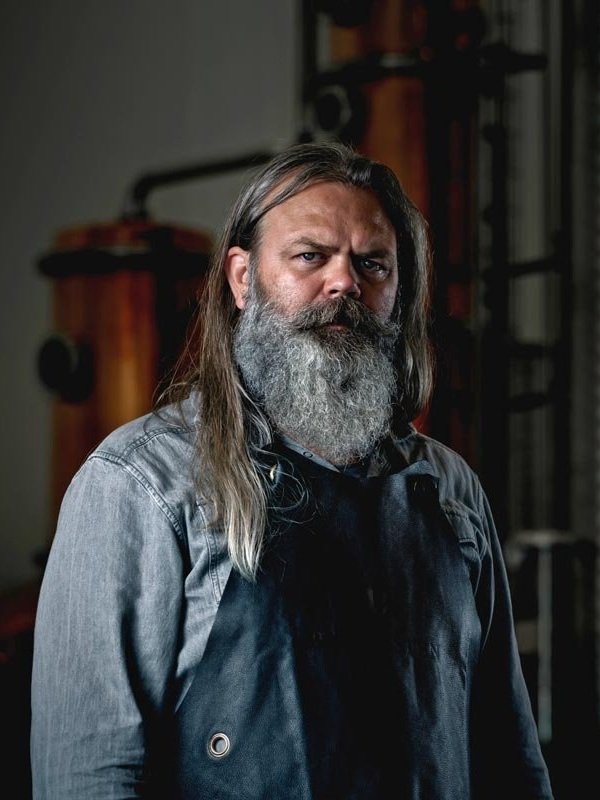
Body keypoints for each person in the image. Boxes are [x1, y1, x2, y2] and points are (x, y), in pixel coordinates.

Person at [30, 141, 554, 799]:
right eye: (310, 257)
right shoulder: (140, 485)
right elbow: (88, 779)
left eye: (373, 264)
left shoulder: (448, 491)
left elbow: (508, 758)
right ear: (242, 279)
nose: (344, 283)